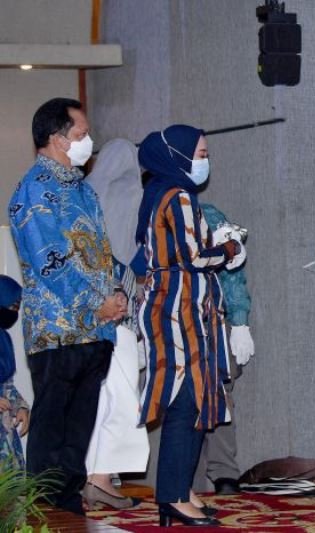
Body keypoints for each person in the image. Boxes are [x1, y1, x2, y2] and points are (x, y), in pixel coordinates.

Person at [7, 98, 127, 515]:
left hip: (96, 333)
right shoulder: (33, 192)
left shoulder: (81, 190)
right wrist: (96, 307)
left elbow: (100, 253)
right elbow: (50, 263)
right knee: (53, 430)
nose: (88, 142)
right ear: (57, 138)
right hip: (59, 332)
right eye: (81, 135)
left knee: (78, 432)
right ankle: (45, 512)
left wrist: (119, 294)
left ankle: (69, 508)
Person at [136, 124, 244, 527]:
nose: (204, 160)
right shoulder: (177, 196)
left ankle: (181, 489)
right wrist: (231, 248)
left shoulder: (159, 192)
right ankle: (174, 495)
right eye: (199, 153)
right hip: (179, 310)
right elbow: (193, 256)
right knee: (187, 403)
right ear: (177, 156)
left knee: (193, 400)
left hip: (179, 306)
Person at [82, 139, 150, 510]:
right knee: (121, 399)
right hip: (118, 319)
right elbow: (136, 262)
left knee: (98, 400)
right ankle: (102, 477)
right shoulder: (130, 198)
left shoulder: (85, 197)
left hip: (87, 322)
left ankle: (94, 477)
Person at [194, 202, 254, 495]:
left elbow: (232, 270)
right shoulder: (150, 214)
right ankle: (184, 479)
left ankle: (224, 473)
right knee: (181, 401)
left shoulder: (207, 213)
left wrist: (239, 321)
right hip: (170, 318)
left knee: (219, 394)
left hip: (213, 318)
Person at [0, 275, 29, 471]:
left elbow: (7, 383)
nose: (14, 312)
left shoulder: (3, 338)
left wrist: (21, 407)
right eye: (11, 306)